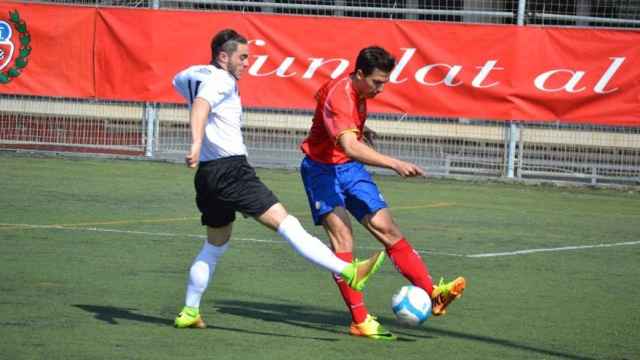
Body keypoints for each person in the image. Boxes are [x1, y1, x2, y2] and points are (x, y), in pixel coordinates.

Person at [171, 29, 386, 329]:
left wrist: (199, 142)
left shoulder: (192, 74)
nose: (247, 63)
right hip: (232, 170)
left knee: (214, 246)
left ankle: (190, 311)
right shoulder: (221, 79)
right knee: (288, 225)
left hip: (207, 176)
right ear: (223, 56)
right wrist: (195, 141)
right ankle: (348, 271)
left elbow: (182, 83)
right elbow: (201, 105)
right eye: (242, 57)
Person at [299, 46, 466, 340]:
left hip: (348, 168)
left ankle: (433, 294)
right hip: (321, 170)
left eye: (386, 82)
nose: (382, 88)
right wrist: (394, 163)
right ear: (360, 74)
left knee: (387, 228)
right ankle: (360, 320)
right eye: (377, 82)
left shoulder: (357, 91)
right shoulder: (340, 95)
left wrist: (359, 130)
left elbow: (341, 130)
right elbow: (349, 144)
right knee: (343, 239)